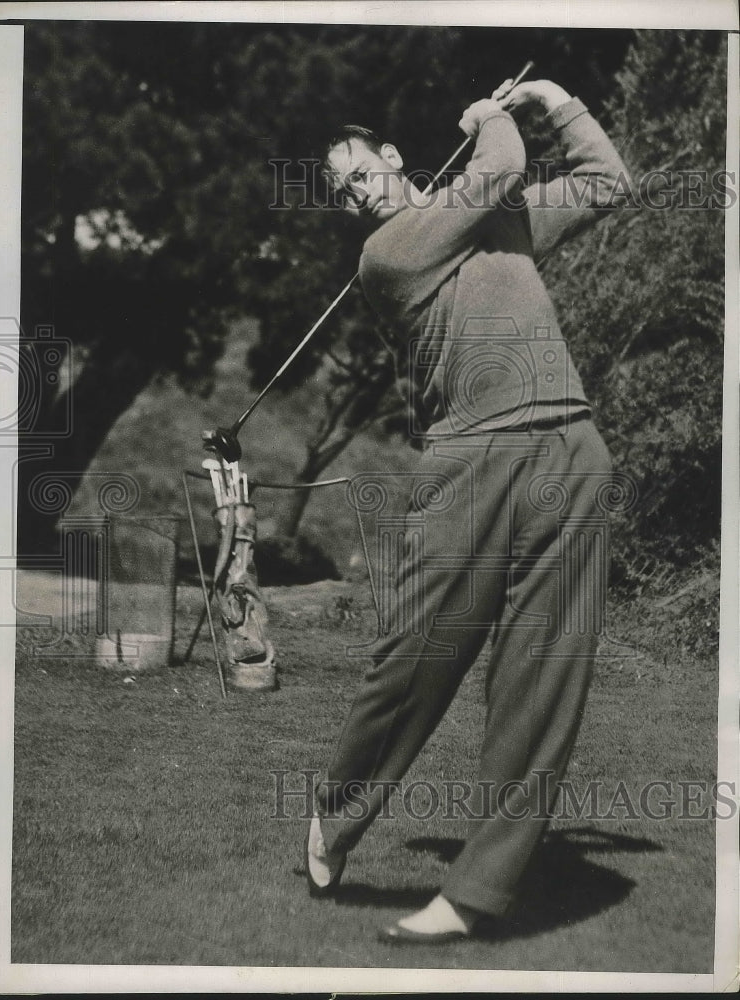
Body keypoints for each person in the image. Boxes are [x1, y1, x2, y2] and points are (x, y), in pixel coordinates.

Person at [304, 77, 633, 944]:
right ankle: (338, 808)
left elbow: (606, 183)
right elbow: (497, 165)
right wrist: (493, 116)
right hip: (470, 457)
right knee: (416, 656)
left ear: (391, 159)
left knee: (540, 675)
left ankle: (475, 894)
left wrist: (558, 100)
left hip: (568, 447)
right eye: (337, 191)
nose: (350, 193)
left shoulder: (502, 221)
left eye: (355, 171)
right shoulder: (389, 253)